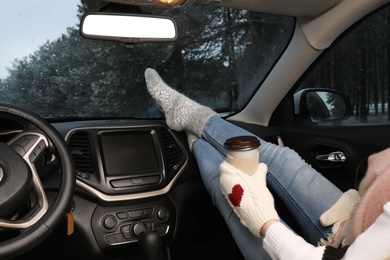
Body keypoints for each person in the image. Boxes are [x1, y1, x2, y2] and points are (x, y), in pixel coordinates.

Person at [144, 68, 390, 259]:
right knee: (283, 158)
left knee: (231, 193)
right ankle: (193, 122)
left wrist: (265, 223)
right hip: (360, 226)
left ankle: (194, 134)